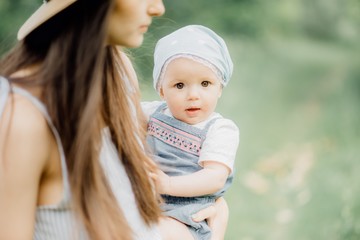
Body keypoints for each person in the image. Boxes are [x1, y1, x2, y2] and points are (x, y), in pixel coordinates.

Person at [0, 1, 228, 239]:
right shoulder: (20, 119)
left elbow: (133, 219)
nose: (158, 8)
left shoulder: (119, 73)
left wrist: (200, 226)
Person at [142, 25, 239, 240]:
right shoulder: (153, 112)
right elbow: (117, 112)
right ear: (161, 90)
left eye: (205, 83)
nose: (193, 95)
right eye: (179, 85)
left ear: (220, 87)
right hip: (148, 200)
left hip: (187, 212)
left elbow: (214, 178)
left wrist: (168, 184)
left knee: (163, 231)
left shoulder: (220, 130)